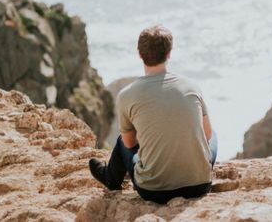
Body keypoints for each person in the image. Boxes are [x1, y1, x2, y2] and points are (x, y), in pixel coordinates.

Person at [89, 25, 217, 204]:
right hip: (199, 185)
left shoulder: (127, 95)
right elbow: (208, 134)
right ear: (169, 53)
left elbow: (129, 144)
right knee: (213, 134)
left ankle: (111, 179)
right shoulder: (192, 86)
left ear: (140, 54)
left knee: (121, 140)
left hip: (153, 191)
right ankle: (192, 169)